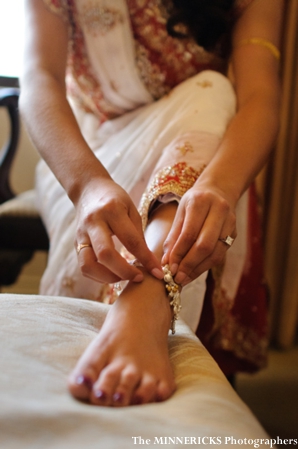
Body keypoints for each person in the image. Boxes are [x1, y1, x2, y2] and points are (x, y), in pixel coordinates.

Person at [20, 0, 284, 407]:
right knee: (210, 95)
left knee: (211, 91)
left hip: (206, 151)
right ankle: (153, 290)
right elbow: (40, 78)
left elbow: (260, 98)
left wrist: (218, 188)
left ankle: (144, 301)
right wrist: (87, 184)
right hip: (88, 153)